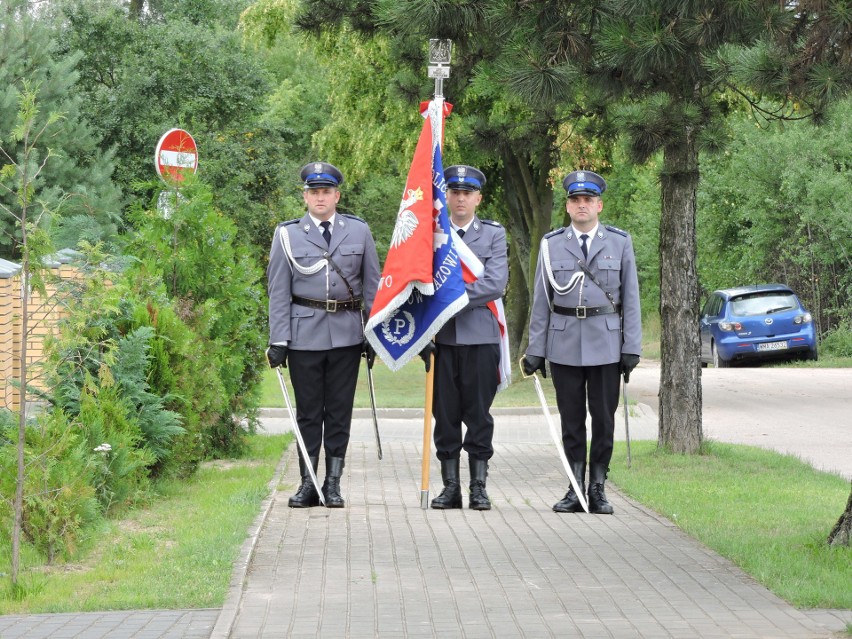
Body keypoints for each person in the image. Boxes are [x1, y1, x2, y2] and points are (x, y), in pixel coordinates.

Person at [522, 170, 641, 515]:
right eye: (575, 200)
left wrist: (631, 346)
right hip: (564, 344)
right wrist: (535, 349)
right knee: (571, 420)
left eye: (588, 199)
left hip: (606, 343)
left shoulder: (619, 242)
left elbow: (631, 298)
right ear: (568, 205)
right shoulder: (551, 244)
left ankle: (598, 487)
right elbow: (542, 300)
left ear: (599, 205)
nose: (582, 205)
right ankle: (575, 488)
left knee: (603, 419)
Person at [266, 162, 381, 509]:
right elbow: (278, 291)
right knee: (308, 413)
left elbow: (372, 286)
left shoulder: (358, 231)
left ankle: (332, 484)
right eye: (314, 191)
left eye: (326, 191)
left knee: (339, 411)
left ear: (337, 195)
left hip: (347, 335)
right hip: (304, 337)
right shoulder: (287, 234)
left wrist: (373, 333)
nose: (320, 197)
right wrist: (279, 339)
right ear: (305, 196)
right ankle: (308, 484)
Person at [426, 164, 509, 511]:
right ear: (446, 196)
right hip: (441, 339)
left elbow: (494, 283)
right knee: (444, 416)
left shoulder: (493, 234)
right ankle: (450, 488)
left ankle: (478, 486)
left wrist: (448, 297)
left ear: (478, 198)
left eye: (467, 193)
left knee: (478, 414)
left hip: (480, 337)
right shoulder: (430, 235)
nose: (460, 198)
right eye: (454, 192)